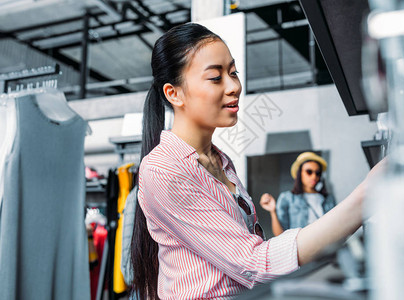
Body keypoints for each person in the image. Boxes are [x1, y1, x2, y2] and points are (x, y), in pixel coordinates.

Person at [130, 23, 379, 300]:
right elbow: (253, 263)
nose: (234, 86)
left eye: (234, 73)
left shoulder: (220, 161)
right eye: (216, 77)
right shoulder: (164, 170)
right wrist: (366, 196)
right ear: (173, 93)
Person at [259, 152, 336, 236]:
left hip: (326, 245)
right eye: (309, 172)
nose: (314, 176)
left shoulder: (328, 199)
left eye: (317, 173)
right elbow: (280, 235)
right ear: (299, 173)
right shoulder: (287, 198)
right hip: (301, 247)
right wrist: (273, 211)